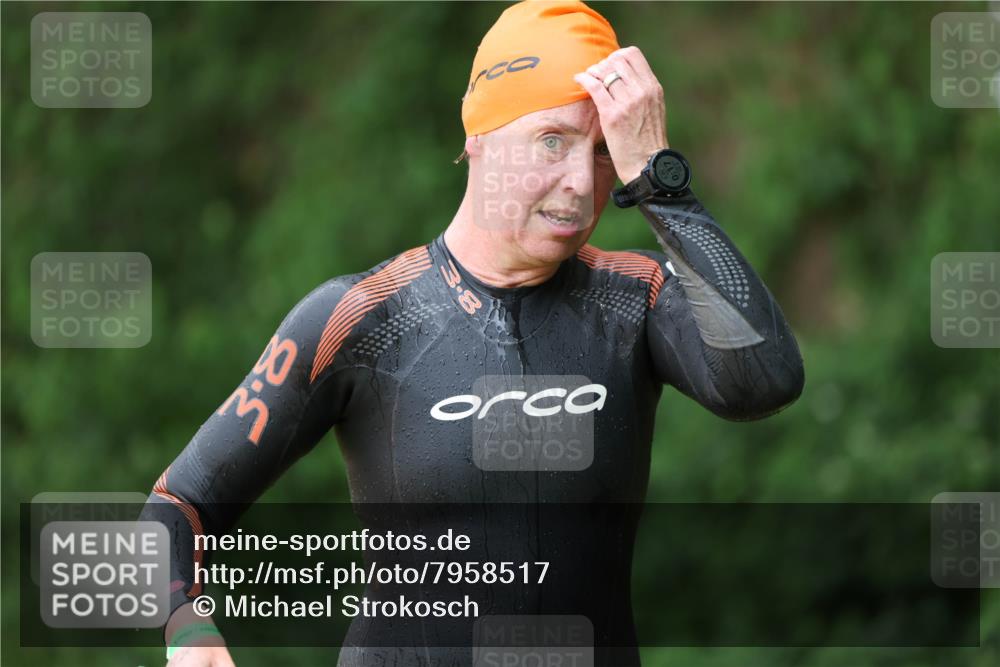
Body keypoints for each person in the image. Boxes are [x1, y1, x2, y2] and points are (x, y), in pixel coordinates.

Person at [142, 1, 804, 665]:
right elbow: (176, 506)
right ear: (479, 137)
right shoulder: (364, 317)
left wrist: (659, 178)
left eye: (604, 151)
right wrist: (189, 633)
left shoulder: (637, 301)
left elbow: (765, 380)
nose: (579, 182)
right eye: (553, 141)